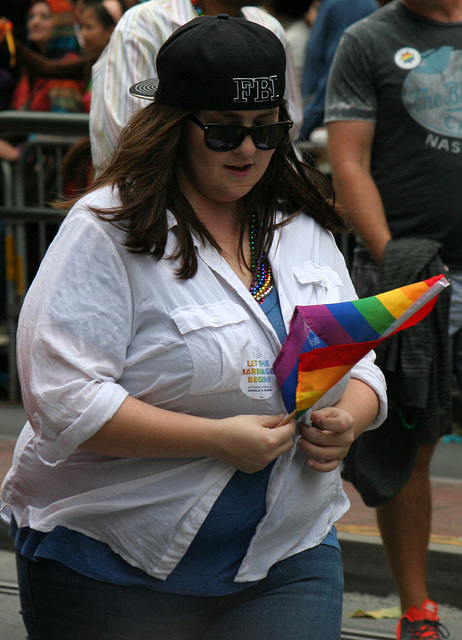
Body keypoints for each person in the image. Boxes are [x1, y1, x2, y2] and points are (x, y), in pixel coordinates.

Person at [1, 15, 387, 640]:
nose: (247, 150)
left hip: (286, 553)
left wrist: (353, 418)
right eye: (224, 131)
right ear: (174, 128)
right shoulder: (106, 228)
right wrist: (214, 440)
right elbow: (63, 400)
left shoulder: (301, 224)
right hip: (115, 561)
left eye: (268, 132)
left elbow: (355, 355)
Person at [325, 1, 461, 637]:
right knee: (408, 443)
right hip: (410, 278)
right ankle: (417, 612)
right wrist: (398, 271)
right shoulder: (367, 39)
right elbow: (349, 161)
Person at [89, 0, 304, 173]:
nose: (247, 149)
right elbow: (122, 139)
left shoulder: (269, 28)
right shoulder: (144, 23)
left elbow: (290, 128)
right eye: (221, 127)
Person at [0, 0, 84, 161]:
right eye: (31, 16)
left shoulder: (68, 66)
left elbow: (62, 128)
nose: (35, 22)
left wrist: (17, 152)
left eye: (44, 17)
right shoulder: (31, 71)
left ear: (62, 23)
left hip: (51, 172)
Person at [299, 0, 378, 141]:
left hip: (336, 127)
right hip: (319, 122)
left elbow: (336, 76)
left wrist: (300, 129)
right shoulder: (333, 4)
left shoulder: (347, 5)